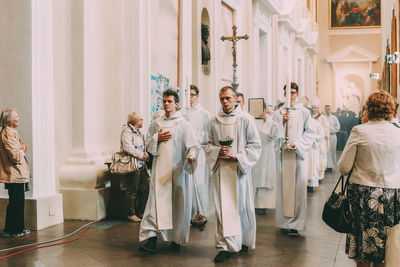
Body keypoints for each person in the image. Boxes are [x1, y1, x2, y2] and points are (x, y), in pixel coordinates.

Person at [338, 90, 400, 267]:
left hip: (364, 195)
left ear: (368, 109)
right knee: (385, 245)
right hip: (391, 196)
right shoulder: (398, 132)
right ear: (390, 109)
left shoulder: (360, 131)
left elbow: (344, 167)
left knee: (363, 246)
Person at [205, 86, 261, 262]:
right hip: (221, 171)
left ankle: (243, 240)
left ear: (235, 98)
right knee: (223, 209)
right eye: (222, 99)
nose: (225, 102)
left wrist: (238, 156)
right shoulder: (213, 121)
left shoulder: (246, 119)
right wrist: (217, 151)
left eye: (228, 98)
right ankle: (224, 247)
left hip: (239, 171)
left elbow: (255, 145)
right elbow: (206, 144)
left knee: (241, 208)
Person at [139, 89, 198, 253]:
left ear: (176, 104)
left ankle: (176, 239)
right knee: (154, 205)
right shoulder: (156, 124)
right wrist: (157, 138)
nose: (166, 104)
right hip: (159, 172)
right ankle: (151, 240)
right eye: (164, 101)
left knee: (177, 206)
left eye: (169, 101)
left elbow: (192, 145)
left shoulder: (183, 124)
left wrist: (192, 156)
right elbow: (148, 144)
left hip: (177, 172)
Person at [273, 82, 315, 237]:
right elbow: (272, 132)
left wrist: (298, 145)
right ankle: (284, 223)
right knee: (284, 188)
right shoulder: (278, 113)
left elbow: (310, 132)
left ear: (297, 94)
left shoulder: (304, 112)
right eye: (287, 92)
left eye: (293, 93)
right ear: (283, 94)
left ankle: (295, 225)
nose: (290, 96)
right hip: (283, 156)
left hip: (297, 156)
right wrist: (282, 122)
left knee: (297, 190)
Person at [182, 85, 210, 227]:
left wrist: (194, 138)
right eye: (188, 94)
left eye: (192, 94)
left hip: (199, 151)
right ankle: (188, 213)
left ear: (197, 95)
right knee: (186, 182)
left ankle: (200, 212)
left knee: (199, 182)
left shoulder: (204, 113)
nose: (190, 97)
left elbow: (207, 132)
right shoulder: (182, 112)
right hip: (185, 151)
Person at [0, 109, 30, 237]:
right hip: (14, 173)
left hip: (18, 174)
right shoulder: (7, 133)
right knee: (15, 202)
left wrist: (20, 148)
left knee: (19, 202)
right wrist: (22, 148)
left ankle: (18, 229)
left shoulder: (11, 132)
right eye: (16, 116)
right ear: (10, 120)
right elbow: (15, 156)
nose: (19, 118)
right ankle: (11, 230)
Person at [120, 112, 149, 222]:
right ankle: (131, 213)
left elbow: (143, 145)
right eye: (140, 119)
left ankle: (142, 212)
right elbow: (128, 147)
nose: (142, 121)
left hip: (141, 164)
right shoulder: (127, 131)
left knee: (144, 188)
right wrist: (141, 155)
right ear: (135, 121)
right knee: (133, 190)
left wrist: (145, 154)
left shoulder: (139, 132)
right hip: (132, 164)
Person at [252, 106, 277, 214]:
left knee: (264, 179)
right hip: (256, 155)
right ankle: (254, 204)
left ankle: (263, 205)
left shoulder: (272, 123)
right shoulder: (254, 121)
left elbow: (272, 135)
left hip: (268, 154)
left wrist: (268, 121)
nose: (266, 114)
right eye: (265, 112)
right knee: (256, 179)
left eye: (269, 113)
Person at [310, 98, 329, 183]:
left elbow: (325, 129)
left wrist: (318, 135)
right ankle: (313, 176)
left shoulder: (322, 118)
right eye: (312, 107)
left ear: (318, 108)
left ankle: (320, 175)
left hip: (320, 141)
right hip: (311, 142)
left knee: (321, 158)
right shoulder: (309, 117)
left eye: (315, 108)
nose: (314, 109)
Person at [324, 105, 340, 172]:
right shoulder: (323, 118)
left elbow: (338, 127)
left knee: (332, 151)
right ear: (325, 110)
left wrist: (332, 130)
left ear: (330, 110)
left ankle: (332, 165)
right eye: (326, 109)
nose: (327, 111)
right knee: (326, 151)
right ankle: (327, 166)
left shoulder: (334, 118)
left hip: (332, 136)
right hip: (325, 137)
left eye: (328, 109)